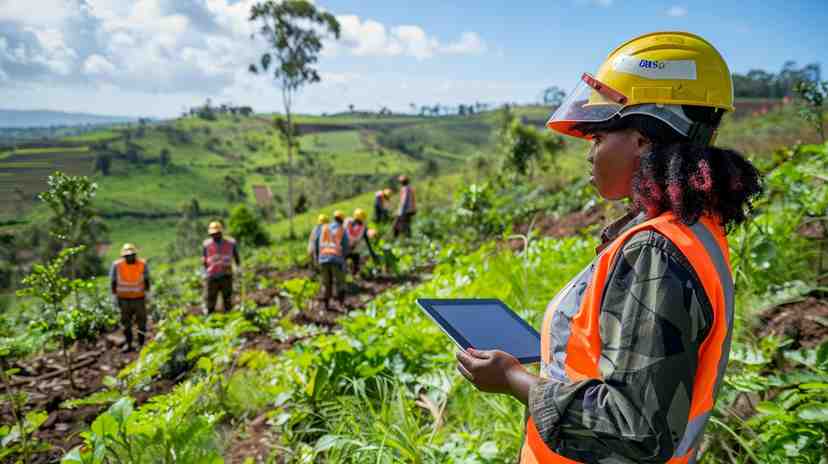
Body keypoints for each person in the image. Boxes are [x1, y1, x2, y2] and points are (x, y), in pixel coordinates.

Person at [455, 32, 762, 464]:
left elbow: (632, 427)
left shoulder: (658, 251)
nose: (590, 152)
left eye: (598, 136)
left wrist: (512, 379)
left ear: (641, 140)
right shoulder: (690, 230)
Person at [110, 243, 150, 352]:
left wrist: (148, 292)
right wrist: (113, 295)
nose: (130, 257)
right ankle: (128, 344)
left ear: (135, 255)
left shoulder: (142, 264)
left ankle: (141, 344)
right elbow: (113, 281)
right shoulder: (117, 265)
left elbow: (146, 279)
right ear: (123, 256)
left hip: (139, 298)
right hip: (123, 299)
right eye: (127, 255)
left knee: (141, 322)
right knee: (126, 323)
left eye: (131, 255)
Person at [202, 221, 240, 314]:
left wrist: (238, 268)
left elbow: (236, 256)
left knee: (227, 297)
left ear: (221, 232)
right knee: (211, 297)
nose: (215, 235)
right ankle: (210, 315)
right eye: (213, 234)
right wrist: (205, 270)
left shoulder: (231, 243)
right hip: (212, 275)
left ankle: (229, 315)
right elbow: (204, 258)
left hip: (226, 274)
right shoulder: (206, 244)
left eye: (217, 233)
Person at [316, 210, 349, 310]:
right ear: (342, 220)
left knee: (326, 283)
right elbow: (345, 245)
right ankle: (341, 304)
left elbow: (317, 242)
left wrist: (318, 256)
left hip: (323, 258)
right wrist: (344, 258)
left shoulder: (324, 227)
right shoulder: (342, 229)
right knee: (340, 282)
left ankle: (326, 305)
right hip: (336, 258)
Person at [344, 208, 378, 275]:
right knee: (355, 260)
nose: (361, 222)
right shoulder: (361, 228)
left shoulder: (347, 224)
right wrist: (372, 253)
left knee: (352, 261)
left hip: (346, 249)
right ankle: (353, 274)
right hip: (350, 249)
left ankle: (352, 274)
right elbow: (367, 241)